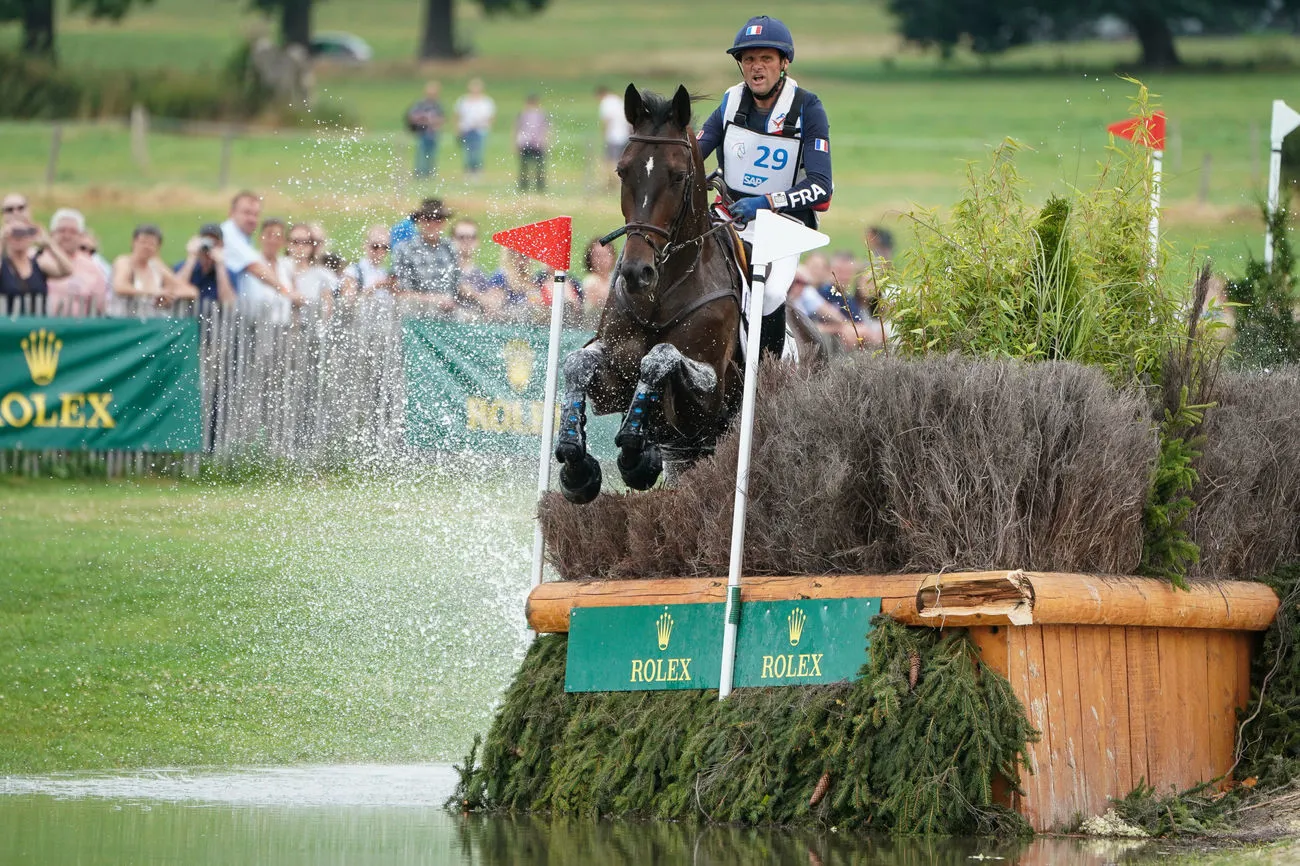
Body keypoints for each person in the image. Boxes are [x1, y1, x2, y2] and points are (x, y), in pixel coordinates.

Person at [697, 15, 833, 359]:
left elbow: (821, 187)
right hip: (728, 217)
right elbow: (694, 156)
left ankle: (770, 371)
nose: (756, 68)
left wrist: (766, 202)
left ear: (783, 63)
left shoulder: (807, 107)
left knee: (770, 293)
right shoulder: (729, 103)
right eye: (748, 59)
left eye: (766, 59)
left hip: (783, 225)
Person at [220, 190, 300, 321]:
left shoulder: (243, 238)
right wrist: (286, 291)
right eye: (246, 213)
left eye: (256, 214)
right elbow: (255, 267)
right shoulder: (229, 234)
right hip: (223, 314)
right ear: (231, 213)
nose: (252, 219)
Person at [392, 199, 460, 314]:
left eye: (437, 219)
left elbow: (457, 285)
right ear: (420, 220)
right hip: (416, 314)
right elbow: (401, 293)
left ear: (444, 222)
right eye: (428, 219)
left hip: (449, 315)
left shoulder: (450, 248)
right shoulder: (404, 249)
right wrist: (434, 300)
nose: (432, 224)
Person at [110, 224, 197, 314]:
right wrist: (154, 293)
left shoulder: (157, 266)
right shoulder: (124, 262)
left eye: (151, 244)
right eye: (143, 242)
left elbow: (190, 291)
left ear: (158, 247)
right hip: (123, 323)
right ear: (133, 242)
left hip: (150, 324)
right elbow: (120, 287)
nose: (146, 247)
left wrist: (168, 296)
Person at [45, 208, 109, 316]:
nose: (67, 236)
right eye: (62, 230)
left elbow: (101, 307)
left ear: (81, 236)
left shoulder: (92, 267)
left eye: (73, 232)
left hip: (78, 329)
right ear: (51, 233)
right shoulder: (35, 259)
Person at [1, 217, 72, 313]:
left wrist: (49, 244)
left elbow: (67, 270)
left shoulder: (39, 264)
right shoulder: (3, 265)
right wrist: (1, 239)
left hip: (37, 325)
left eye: (23, 233)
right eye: (14, 233)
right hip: (9, 326)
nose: (18, 237)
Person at [237, 217, 295, 323]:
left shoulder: (287, 265)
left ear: (283, 241)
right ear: (260, 237)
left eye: (278, 237)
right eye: (269, 235)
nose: (273, 240)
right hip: (255, 325)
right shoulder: (251, 262)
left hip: (283, 326)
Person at [283, 222, 337, 325]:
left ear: (312, 246)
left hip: (308, 331)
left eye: (305, 242)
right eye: (295, 242)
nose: (300, 246)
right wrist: (289, 294)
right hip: (277, 330)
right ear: (288, 243)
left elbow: (327, 311)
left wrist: (307, 304)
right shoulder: (279, 267)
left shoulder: (322, 275)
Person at [174, 222, 237, 306]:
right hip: (187, 318)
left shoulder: (229, 273)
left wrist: (220, 266)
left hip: (215, 318)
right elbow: (173, 291)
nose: (209, 247)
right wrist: (191, 257)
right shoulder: (182, 267)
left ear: (221, 245)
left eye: (214, 243)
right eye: (206, 241)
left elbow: (229, 303)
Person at [454, 78, 496, 177]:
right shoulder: (463, 100)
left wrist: (486, 126)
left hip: (480, 130)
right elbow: (457, 115)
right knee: (467, 151)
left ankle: (477, 170)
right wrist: (457, 129)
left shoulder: (486, 101)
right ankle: (468, 170)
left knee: (478, 151)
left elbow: (491, 117)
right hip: (466, 129)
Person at [407, 81, 446, 178]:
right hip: (422, 132)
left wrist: (435, 122)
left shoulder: (438, 105)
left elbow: (442, 118)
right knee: (421, 153)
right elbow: (412, 116)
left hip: (433, 133)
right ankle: (419, 172)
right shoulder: (420, 104)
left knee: (431, 154)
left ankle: (429, 172)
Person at [595, 85, 631, 189]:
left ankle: (612, 184)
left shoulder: (606, 102)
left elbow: (607, 120)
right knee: (620, 160)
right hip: (624, 135)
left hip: (613, 136)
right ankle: (617, 183)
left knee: (610, 161)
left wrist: (604, 134)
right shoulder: (618, 100)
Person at [515, 94, 550, 192]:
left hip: (538, 143)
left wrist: (546, 140)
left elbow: (546, 128)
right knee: (524, 165)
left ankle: (540, 185)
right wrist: (516, 142)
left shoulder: (542, 114)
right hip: (525, 142)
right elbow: (517, 128)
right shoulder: (522, 114)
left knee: (539, 166)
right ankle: (523, 185)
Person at [580, 237, 616, 326]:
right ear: (590, 259)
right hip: (592, 328)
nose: (602, 260)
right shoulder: (590, 281)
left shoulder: (614, 278)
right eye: (598, 255)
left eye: (605, 255)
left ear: (613, 256)